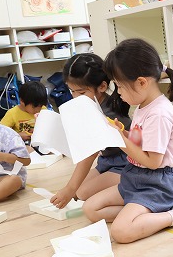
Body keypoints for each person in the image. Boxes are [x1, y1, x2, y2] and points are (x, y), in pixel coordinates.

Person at [82, 38, 173, 243]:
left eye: (120, 87)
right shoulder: (143, 106)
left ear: (142, 82)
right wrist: (122, 133)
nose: (119, 93)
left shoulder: (159, 114)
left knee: (121, 232)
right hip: (135, 178)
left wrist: (121, 141)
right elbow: (139, 144)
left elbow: (152, 161)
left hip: (156, 185)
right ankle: (140, 214)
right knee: (90, 208)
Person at [50, 53, 132, 208]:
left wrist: (69, 188)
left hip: (125, 164)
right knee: (78, 191)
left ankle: (136, 197)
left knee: (80, 192)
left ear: (102, 86)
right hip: (107, 162)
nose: (75, 97)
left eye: (81, 92)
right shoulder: (89, 105)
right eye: (72, 91)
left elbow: (90, 154)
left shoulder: (108, 112)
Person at [0, 81, 48, 147]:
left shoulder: (43, 109)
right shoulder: (12, 113)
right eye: (34, 107)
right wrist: (18, 136)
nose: (38, 110)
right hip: (21, 145)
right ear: (22, 101)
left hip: (40, 144)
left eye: (40, 106)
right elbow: (0, 133)